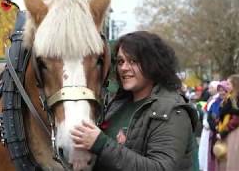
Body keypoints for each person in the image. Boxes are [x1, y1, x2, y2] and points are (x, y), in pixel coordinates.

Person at [70, 31, 198, 171]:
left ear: (153, 64)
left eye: (133, 61)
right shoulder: (116, 106)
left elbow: (161, 167)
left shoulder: (171, 111)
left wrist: (101, 143)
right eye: (120, 61)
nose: (124, 68)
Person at [216, 75, 239, 171]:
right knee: (228, 157)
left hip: (235, 131)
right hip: (230, 130)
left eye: (228, 83)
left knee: (234, 158)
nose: (227, 85)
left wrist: (223, 132)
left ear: (234, 84)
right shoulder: (230, 97)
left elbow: (237, 118)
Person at [198, 80, 219, 171]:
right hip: (206, 127)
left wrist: (209, 123)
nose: (209, 90)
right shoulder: (211, 98)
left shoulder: (217, 99)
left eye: (211, 88)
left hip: (211, 128)